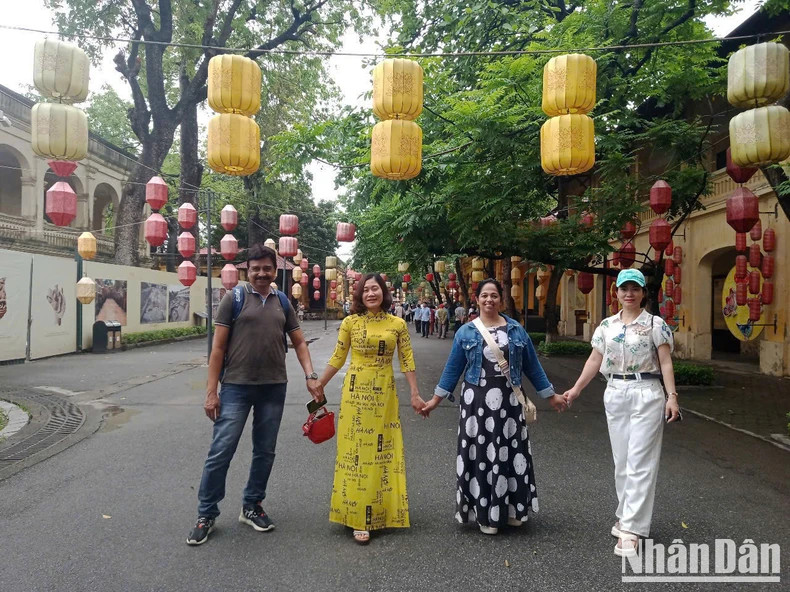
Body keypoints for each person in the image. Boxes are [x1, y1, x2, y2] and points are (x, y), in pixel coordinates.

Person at [187, 244, 324, 546]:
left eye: (267, 268)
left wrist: (310, 375)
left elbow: (300, 343)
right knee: (221, 450)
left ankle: (252, 505)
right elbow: (218, 349)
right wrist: (212, 392)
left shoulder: (283, 302)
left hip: (274, 387)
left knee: (265, 450)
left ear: (275, 271)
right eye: (256, 268)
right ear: (247, 270)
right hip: (236, 386)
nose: (262, 273)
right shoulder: (233, 299)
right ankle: (206, 513)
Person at [423, 279, 567, 535]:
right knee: (482, 455)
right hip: (476, 402)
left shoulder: (516, 331)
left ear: (501, 299)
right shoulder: (466, 332)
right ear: (476, 299)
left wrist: (551, 396)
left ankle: (512, 510)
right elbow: (452, 370)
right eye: (484, 296)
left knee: (512, 453)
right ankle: (485, 514)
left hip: (510, 402)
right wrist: (434, 401)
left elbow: (532, 367)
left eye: (494, 296)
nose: (489, 300)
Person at [562, 269, 680, 558]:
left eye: (635, 288)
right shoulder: (606, 326)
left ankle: (631, 528)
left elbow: (665, 362)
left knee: (641, 460)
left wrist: (672, 397)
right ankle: (626, 512)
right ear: (616, 293)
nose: (629, 293)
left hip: (647, 393)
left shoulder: (655, 324)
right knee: (623, 461)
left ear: (643, 293)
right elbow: (595, 359)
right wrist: (576, 389)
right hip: (615, 392)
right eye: (624, 288)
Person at [318, 273, 427, 544]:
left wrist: (415, 393)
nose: (370, 294)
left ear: (383, 292)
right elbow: (338, 356)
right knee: (354, 454)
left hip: (384, 396)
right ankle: (354, 515)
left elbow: (407, 360)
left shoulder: (397, 324)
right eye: (365, 290)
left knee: (380, 453)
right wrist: (319, 384)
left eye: (374, 289)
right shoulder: (350, 322)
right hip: (355, 395)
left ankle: (379, 512)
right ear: (359, 295)